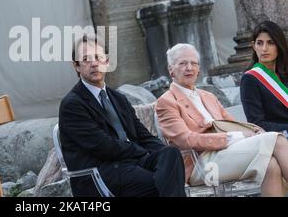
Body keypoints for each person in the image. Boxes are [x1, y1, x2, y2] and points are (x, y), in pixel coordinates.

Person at [58, 35, 186, 197]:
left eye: (98, 57)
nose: (94, 63)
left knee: (171, 154)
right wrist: (142, 152)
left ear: (107, 61)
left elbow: (142, 135)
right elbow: (103, 146)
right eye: (86, 59)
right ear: (76, 66)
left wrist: (159, 152)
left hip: (131, 161)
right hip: (101, 171)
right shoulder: (73, 104)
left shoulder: (118, 98)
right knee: (157, 182)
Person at [156, 43, 288, 196]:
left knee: (271, 165)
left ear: (199, 69)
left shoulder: (209, 96)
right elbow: (186, 140)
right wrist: (234, 137)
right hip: (201, 164)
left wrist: (253, 130)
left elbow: (232, 124)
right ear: (171, 69)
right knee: (277, 139)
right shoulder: (166, 102)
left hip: (228, 153)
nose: (189, 68)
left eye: (194, 63)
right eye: (182, 63)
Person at [240, 20, 288, 134]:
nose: (264, 49)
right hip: (279, 138)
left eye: (271, 43)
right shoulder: (250, 79)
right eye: (260, 43)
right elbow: (257, 123)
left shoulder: (285, 74)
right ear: (254, 46)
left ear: (279, 45)